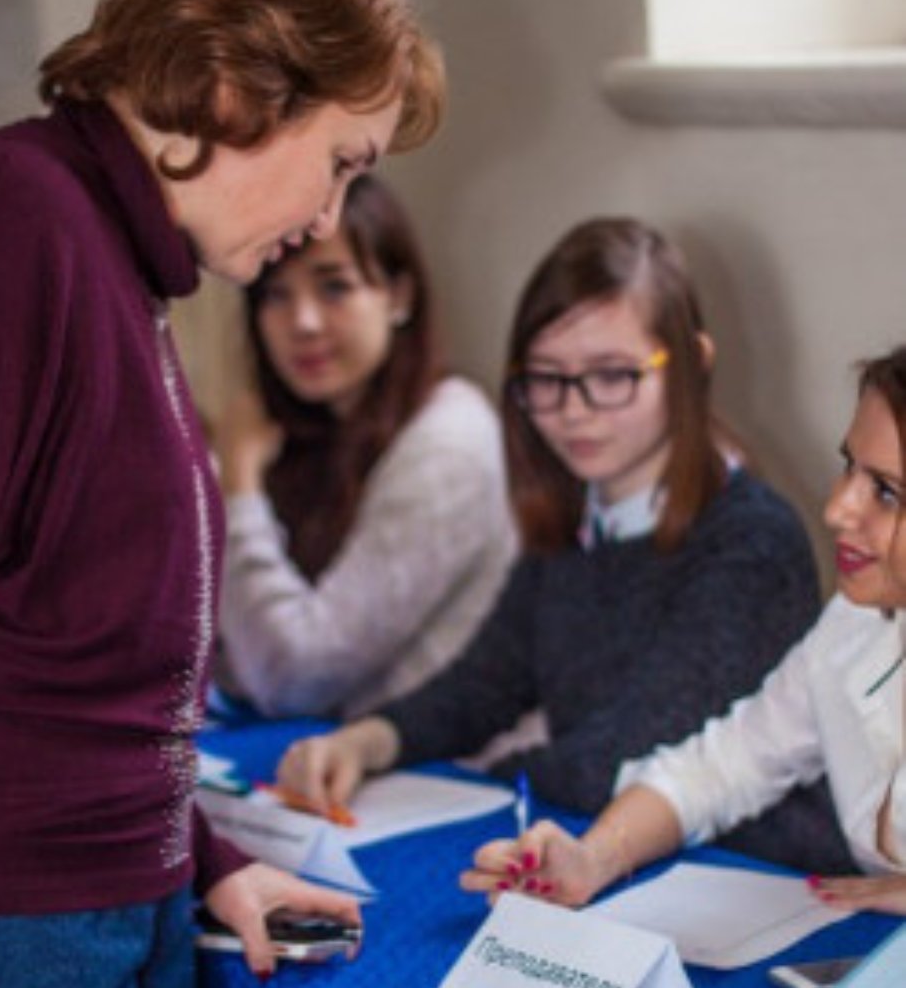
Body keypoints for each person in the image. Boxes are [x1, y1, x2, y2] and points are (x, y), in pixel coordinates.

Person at [0, 0, 443, 988]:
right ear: (234, 87)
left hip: (117, 909)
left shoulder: (121, 262)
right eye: (338, 164)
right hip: (7, 938)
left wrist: (210, 864)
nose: (331, 215)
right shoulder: (7, 217)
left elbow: (73, 678)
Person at [274, 217, 852, 871]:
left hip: (757, 879)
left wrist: (493, 772)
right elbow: (483, 684)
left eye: (612, 375)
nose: (574, 410)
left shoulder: (751, 539)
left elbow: (630, 754)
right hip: (612, 851)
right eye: (546, 378)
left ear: (693, 363)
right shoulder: (579, 513)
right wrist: (367, 741)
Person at [459, 346, 906, 914]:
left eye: (887, 492)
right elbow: (722, 765)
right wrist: (592, 859)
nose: (838, 509)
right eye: (850, 468)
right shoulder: (856, 624)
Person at [212, 172, 516, 718]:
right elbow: (216, 651)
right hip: (325, 762)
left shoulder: (449, 441)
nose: (302, 323)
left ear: (399, 295)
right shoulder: (295, 430)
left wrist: (239, 491)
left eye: (334, 287)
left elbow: (295, 677)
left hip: (448, 779)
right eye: (276, 294)